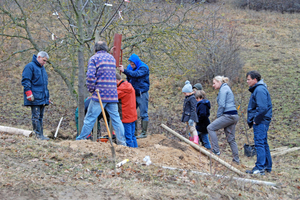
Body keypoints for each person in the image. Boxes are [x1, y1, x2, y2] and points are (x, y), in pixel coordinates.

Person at [76, 41, 126, 146]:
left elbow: (90, 76)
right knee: (116, 119)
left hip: (100, 94)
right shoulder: (112, 59)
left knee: (90, 118)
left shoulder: (94, 59)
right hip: (112, 95)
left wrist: (91, 89)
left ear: (95, 49)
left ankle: (81, 140)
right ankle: (122, 142)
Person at [207, 76, 239, 164]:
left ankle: (216, 151)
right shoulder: (227, 88)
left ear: (219, 82)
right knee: (231, 139)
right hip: (234, 115)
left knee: (210, 128)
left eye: (214, 83)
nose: (213, 85)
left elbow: (221, 105)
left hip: (228, 115)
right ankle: (236, 160)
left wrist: (219, 117)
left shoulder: (223, 89)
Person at [245, 71, 272, 175]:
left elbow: (262, 108)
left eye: (248, 79)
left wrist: (256, 120)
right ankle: (267, 167)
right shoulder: (259, 89)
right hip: (262, 121)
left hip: (261, 121)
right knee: (264, 143)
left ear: (255, 80)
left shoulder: (259, 89)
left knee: (259, 143)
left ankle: (259, 168)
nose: (247, 81)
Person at [118, 54, 150, 139]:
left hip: (142, 93)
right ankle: (134, 132)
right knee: (132, 113)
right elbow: (129, 76)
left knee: (143, 113)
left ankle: (144, 132)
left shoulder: (144, 67)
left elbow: (136, 74)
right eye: (131, 64)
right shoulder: (129, 67)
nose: (132, 66)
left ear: (136, 62)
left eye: (133, 64)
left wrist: (124, 70)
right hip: (133, 93)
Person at [21, 51, 50, 141]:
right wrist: (28, 93)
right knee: (36, 116)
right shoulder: (30, 66)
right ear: (39, 57)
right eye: (44, 60)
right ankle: (37, 135)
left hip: (42, 96)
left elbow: (44, 85)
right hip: (34, 96)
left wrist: (47, 98)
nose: (45, 63)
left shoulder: (42, 68)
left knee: (40, 116)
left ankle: (41, 134)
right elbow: (26, 81)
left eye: (46, 61)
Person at [116, 73, 138, 148]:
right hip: (132, 114)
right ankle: (136, 150)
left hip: (126, 116)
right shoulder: (128, 85)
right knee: (132, 136)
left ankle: (131, 153)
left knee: (128, 137)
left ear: (116, 80)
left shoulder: (121, 90)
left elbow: (112, 96)